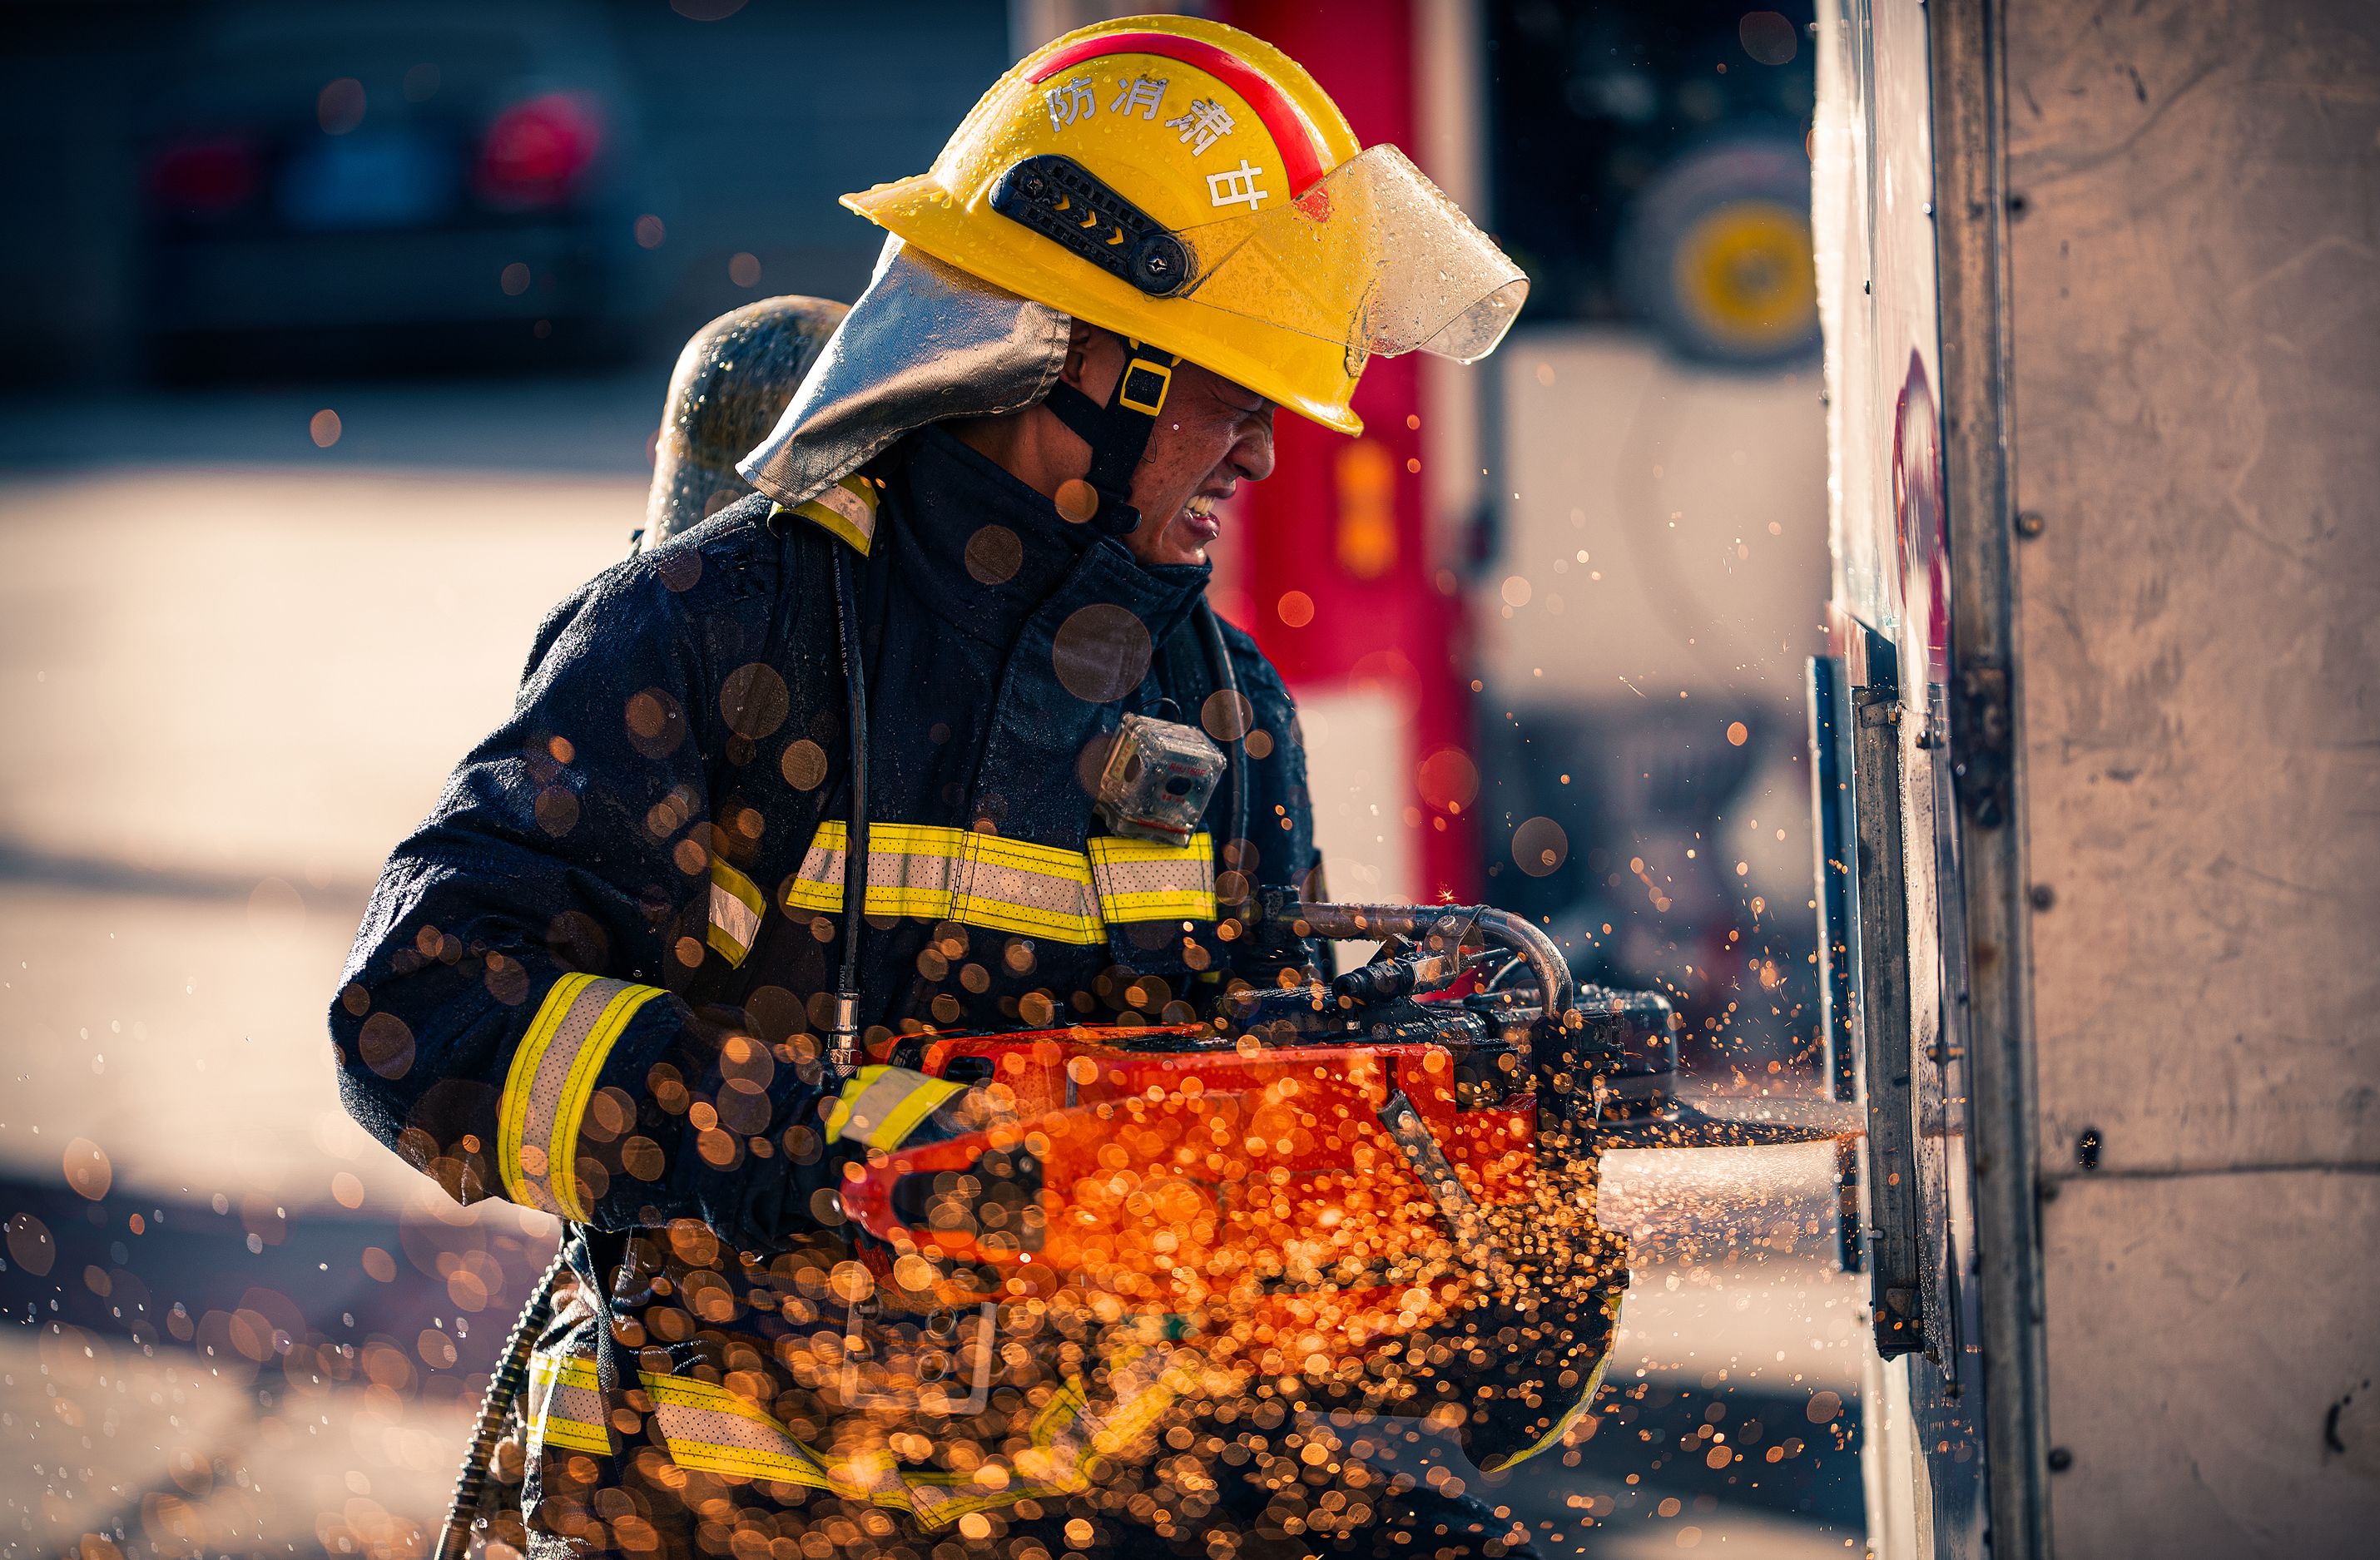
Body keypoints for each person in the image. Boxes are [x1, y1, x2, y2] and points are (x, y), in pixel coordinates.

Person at [335, 17, 1564, 1560]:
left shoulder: (1223, 707)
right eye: (1232, 393)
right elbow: (421, 1008)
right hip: (715, 1514)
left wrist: (1468, 1256)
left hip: (1101, 1512)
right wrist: (808, 1140)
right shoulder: (718, 631)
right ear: (1075, 355)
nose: (1261, 453)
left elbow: (1230, 1175)